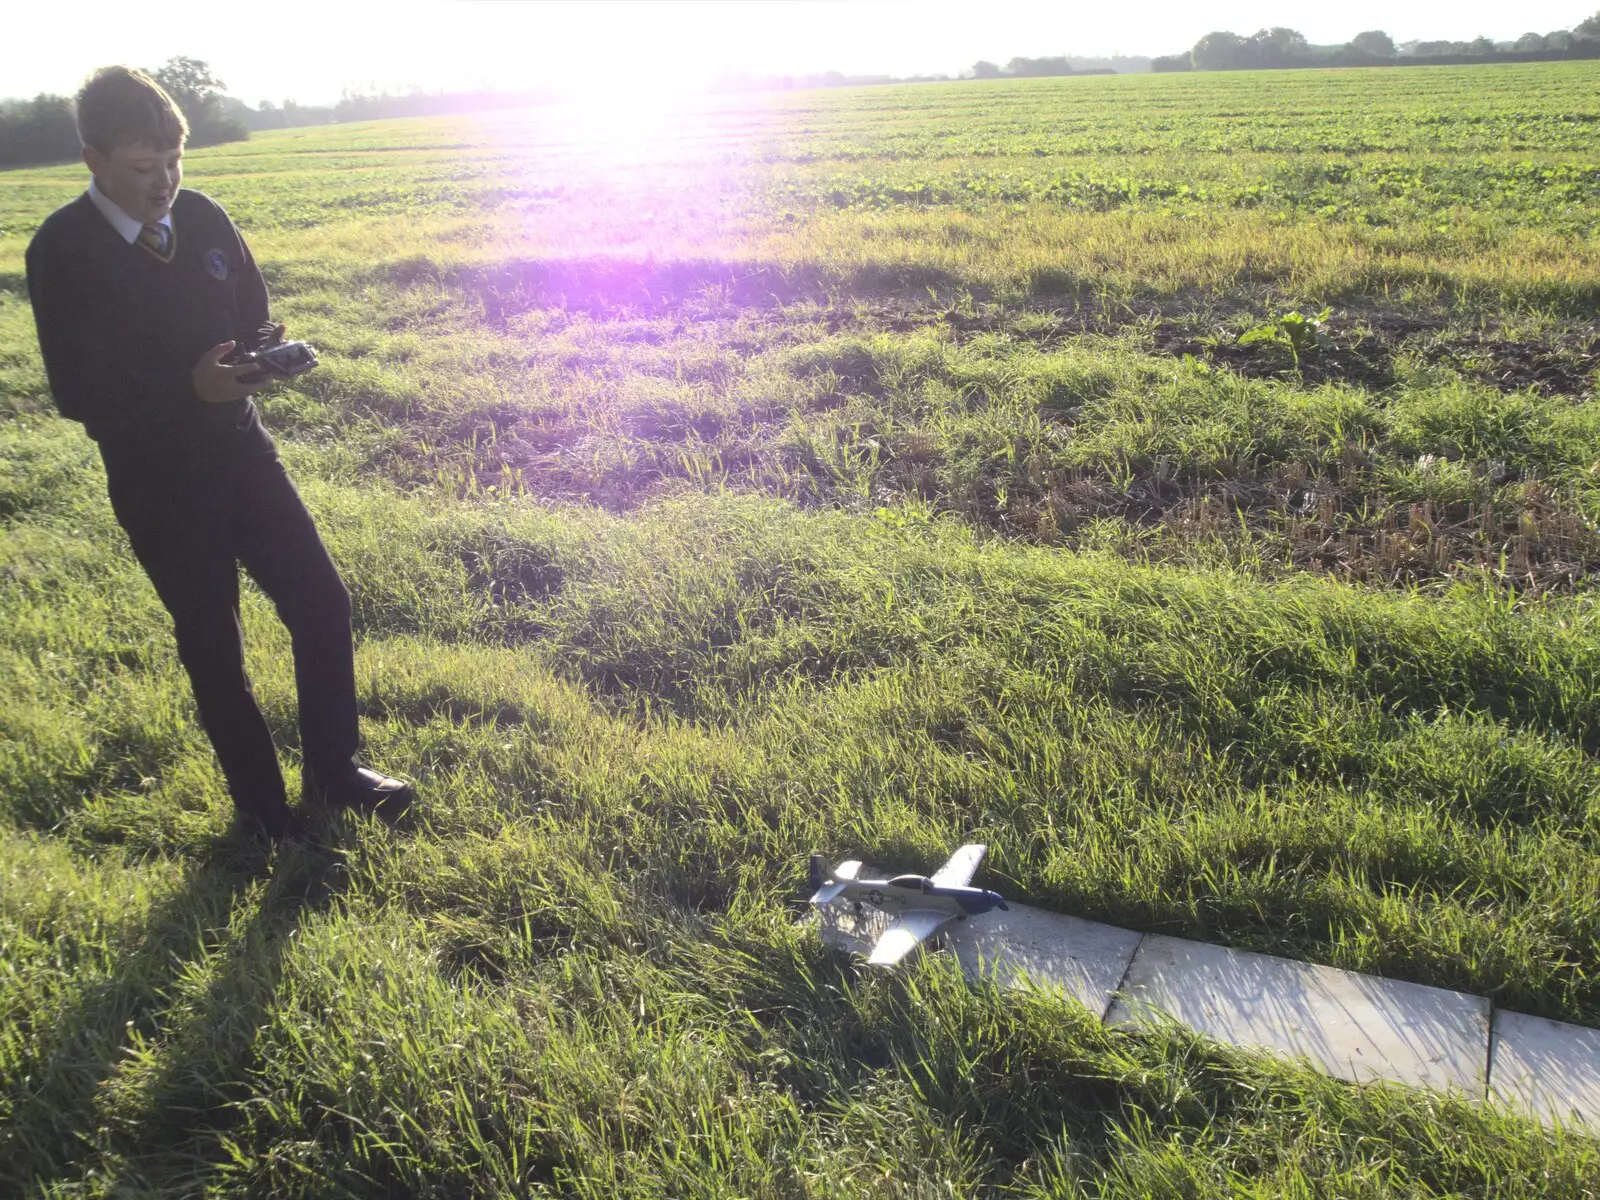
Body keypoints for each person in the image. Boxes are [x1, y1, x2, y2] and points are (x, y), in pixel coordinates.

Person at [25, 66, 412, 840]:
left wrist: (262, 360)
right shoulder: (61, 249)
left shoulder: (203, 216)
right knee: (213, 642)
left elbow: (251, 311)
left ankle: (336, 775)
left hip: (244, 452)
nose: (165, 181)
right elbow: (79, 392)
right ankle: (264, 814)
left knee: (322, 606)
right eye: (143, 168)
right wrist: (186, 389)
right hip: (158, 482)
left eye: (174, 160)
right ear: (93, 159)